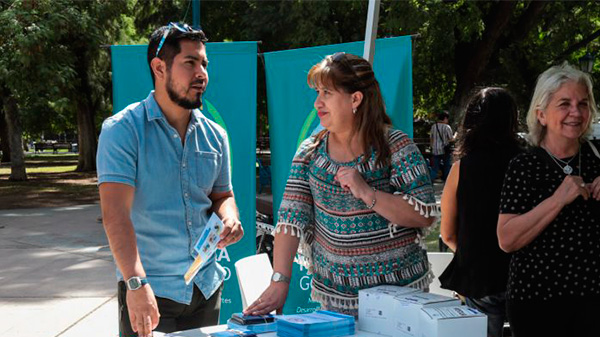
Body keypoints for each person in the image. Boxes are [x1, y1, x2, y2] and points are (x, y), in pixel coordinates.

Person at [243, 52, 437, 317]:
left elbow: (424, 213)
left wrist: (367, 192)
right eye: (317, 93)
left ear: (355, 98)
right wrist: (280, 281)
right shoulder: (310, 153)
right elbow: (290, 219)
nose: (317, 103)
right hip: (336, 302)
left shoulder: (395, 146)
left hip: (401, 300)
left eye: (327, 93)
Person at [96, 23, 243, 337]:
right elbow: (115, 215)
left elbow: (222, 195)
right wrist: (135, 284)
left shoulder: (215, 135)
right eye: (190, 63)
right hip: (150, 290)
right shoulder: (123, 130)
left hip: (206, 288)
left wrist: (229, 217)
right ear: (159, 67)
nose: (201, 73)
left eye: (204, 64)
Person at [497, 63, 600, 336]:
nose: (576, 112)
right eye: (564, 104)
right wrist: (558, 199)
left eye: (583, 103)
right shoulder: (525, 165)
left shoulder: (597, 157)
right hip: (537, 302)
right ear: (541, 114)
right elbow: (507, 239)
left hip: (593, 300)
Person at [438, 88, 522, 337]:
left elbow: (448, 234)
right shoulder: (527, 164)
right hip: (523, 277)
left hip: (479, 278)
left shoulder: (461, 169)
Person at [429, 111, 453, 181]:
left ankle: (430, 180)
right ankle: (447, 181)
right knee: (446, 166)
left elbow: (431, 138)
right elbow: (451, 139)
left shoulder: (434, 126)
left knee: (435, 167)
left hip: (435, 150)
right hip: (445, 150)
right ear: (445, 118)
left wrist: (432, 147)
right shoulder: (447, 127)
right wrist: (455, 136)